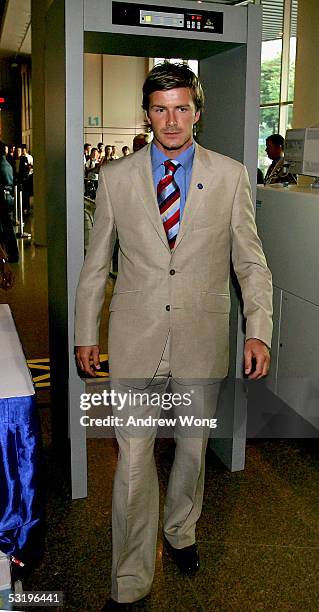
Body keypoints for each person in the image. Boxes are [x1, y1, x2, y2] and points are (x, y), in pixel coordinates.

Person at [75, 62, 272, 610]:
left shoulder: (231, 177)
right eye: (160, 109)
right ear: (147, 114)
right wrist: (84, 331)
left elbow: (251, 264)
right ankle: (130, 578)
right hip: (136, 338)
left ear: (197, 113)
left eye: (181, 108)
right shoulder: (117, 179)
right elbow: (96, 265)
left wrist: (258, 328)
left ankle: (180, 529)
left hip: (201, 339)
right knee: (133, 462)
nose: (171, 120)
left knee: (191, 449)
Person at [0, 141, 19, 263]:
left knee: (6, 228)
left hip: (4, 199)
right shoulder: (4, 163)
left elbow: (7, 184)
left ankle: (11, 254)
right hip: (5, 198)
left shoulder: (2, 165)